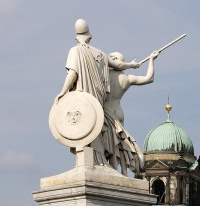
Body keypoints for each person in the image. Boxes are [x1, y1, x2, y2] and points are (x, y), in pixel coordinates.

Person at [55, 19, 148, 174]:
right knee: (96, 128)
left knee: (84, 126)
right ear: (89, 37)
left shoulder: (75, 51)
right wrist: (131, 65)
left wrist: (63, 91)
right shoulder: (100, 54)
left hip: (84, 98)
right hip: (97, 100)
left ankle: (91, 162)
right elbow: (118, 65)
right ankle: (100, 161)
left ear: (77, 37)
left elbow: (73, 73)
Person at [101, 51, 159, 174]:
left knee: (111, 144)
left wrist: (131, 65)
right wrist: (151, 60)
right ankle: (124, 173)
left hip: (107, 110)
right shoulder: (127, 78)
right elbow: (149, 78)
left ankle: (112, 170)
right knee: (122, 143)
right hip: (119, 112)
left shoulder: (104, 75)